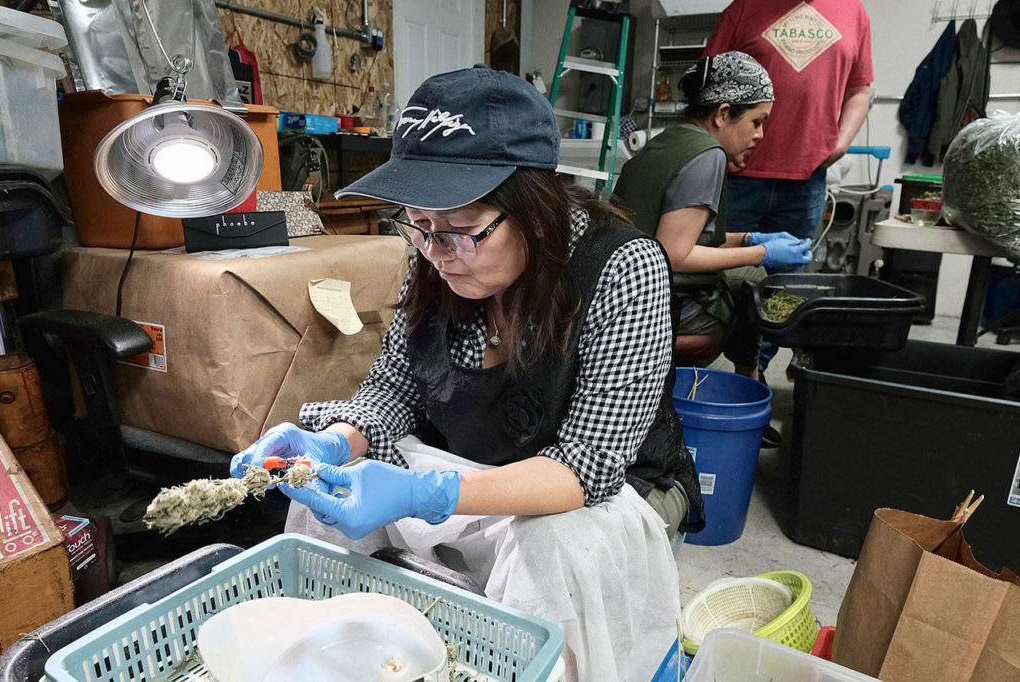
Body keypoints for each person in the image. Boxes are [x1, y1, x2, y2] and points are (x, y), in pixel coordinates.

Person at [230, 64, 704, 681]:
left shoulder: (622, 267)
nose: (434, 250)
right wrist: (333, 441)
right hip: (486, 467)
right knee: (327, 493)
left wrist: (428, 495)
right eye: (418, 226)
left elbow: (586, 467)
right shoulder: (434, 251)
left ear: (535, 208)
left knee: (546, 547)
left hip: (609, 492)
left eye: (459, 232)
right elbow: (395, 386)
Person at [612, 51, 812, 381]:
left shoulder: (669, 140)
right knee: (754, 285)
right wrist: (763, 253)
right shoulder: (708, 156)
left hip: (623, 286)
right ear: (722, 114)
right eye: (756, 122)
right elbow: (675, 254)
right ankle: (742, 386)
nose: (759, 135)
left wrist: (749, 239)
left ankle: (749, 381)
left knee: (748, 274)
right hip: (651, 305)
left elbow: (683, 232)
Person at [704, 0, 873, 382]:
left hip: (808, 177)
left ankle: (751, 377)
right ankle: (687, 377)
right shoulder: (744, 9)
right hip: (738, 173)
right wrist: (717, 150)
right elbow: (705, 86)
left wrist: (841, 142)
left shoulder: (854, 12)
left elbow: (859, 90)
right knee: (714, 274)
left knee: (784, 288)